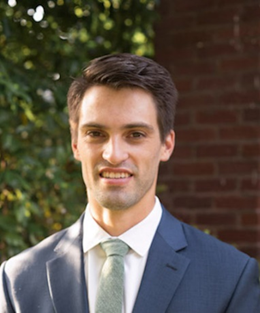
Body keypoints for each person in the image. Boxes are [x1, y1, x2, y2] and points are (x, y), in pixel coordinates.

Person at [0, 53, 259, 313]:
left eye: (135, 134)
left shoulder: (231, 278)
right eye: (96, 133)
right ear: (76, 144)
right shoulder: (17, 280)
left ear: (166, 145)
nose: (113, 154)